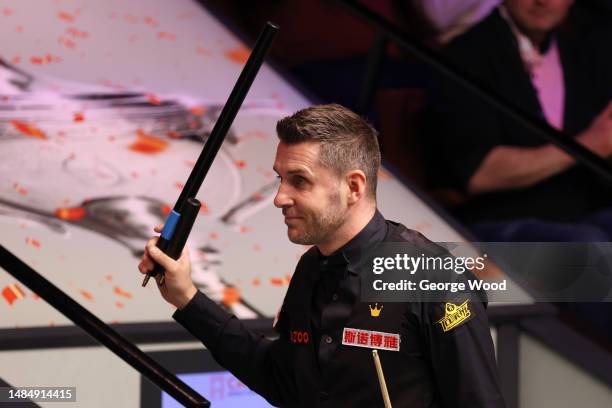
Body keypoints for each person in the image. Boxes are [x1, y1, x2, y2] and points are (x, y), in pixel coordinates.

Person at [139, 104, 505, 407]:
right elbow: (281, 381)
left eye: (299, 180)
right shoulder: (312, 268)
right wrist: (186, 297)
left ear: (353, 187)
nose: (280, 197)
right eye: (280, 178)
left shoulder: (435, 278)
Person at [433, 0, 612, 242]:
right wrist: (588, 144)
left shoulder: (579, 50)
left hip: (578, 210)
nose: (543, 2)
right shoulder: (467, 53)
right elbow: (479, 174)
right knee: (587, 244)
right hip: (499, 219)